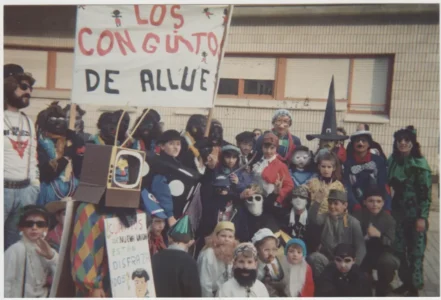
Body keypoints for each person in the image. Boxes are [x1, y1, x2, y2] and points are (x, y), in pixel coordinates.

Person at [388, 126, 432, 296]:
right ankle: (405, 282)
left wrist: (422, 217)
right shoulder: (393, 161)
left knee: (416, 251)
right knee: (398, 249)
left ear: (413, 143)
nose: (403, 143)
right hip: (398, 213)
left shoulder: (420, 164)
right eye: (400, 140)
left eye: (407, 140)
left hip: (415, 214)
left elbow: (426, 195)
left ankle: (414, 287)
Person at [4, 64, 40, 250]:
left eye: (30, 88)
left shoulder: (28, 120)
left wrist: (34, 185)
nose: (29, 92)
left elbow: (32, 156)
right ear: (9, 86)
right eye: (23, 87)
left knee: (15, 246)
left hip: (25, 190)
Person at [352, 186, 400, 296]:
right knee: (362, 285)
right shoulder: (357, 216)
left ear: (383, 203)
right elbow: (351, 237)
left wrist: (379, 235)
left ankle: (383, 286)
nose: (375, 205)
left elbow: (392, 243)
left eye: (378, 201)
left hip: (381, 253)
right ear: (364, 202)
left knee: (388, 262)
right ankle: (366, 282)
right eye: (371, 201)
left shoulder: (388, 219)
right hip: (363, 253)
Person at [35, 101, 85, 206]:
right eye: (53, 120)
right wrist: (66, 157)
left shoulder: (69, 141)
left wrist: (77, 143)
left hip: (71, 193)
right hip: (47, 195)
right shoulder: (39, 143)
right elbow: (46, 174)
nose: (58, 123)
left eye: (61, 119)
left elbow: (80, 170)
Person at [4, 205, 58, 297]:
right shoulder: (15, 250)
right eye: (29, 224)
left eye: (40, 224)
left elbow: (60, 279)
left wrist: (51, 257)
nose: (34, 228)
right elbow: (5, 283)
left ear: (46, 228)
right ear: (21, 228)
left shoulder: (49, 250)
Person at [308, 189, 366, 266]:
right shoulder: (325, 217)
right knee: (314, 257)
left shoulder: (353, 222)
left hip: (345, 263)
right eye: (330, 203)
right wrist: (317, 202)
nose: (332, 206)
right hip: (328, 260)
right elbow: (312, 219)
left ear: (345, 205)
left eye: (336, 203)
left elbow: (361, 249)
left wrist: (353, 266)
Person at [151, 215, 202, 297]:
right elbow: (194, 293)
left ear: (169, 238)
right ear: (190, 241)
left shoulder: (155, 257)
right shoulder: (189, 262)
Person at [344, 130, 391, 213]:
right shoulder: (348, 163)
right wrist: (354, 205)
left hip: (376, 206)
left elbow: (384, 185)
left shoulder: (379, 161)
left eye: (364, 141)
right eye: (357, 141)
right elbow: (347, 186)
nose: (360, 143)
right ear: (353, 144)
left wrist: (386, 207)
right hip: (356, 207)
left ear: (369, 144)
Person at [306, 77, 348, 165]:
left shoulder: (341, 162)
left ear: (336, 143)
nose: (328, 144)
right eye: (325, 140)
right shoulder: (312, 160)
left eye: (331, 141)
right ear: (320, 142)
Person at [252, 132, 294, 208]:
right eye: (266, 147)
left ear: (276, 148)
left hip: (271, 202)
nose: (268, 151)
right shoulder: (258, 161)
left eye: (272, 148)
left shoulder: (281, 165)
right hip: (256, 199)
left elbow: (289, 186)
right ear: (262, 147)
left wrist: (278, 197)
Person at [197, 221, 238, 297]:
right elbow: (204, 284)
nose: (227, 239)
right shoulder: (208, 254)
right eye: (223, 236)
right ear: (216, 237)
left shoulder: (234, 253)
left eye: (230, 237)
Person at [307, 150, 344, 215]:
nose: (326, 170)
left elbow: (342, 204)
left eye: (329, 167)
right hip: (315, 216)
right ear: (319, 167)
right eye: (323, 166)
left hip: (332, 217)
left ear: (334, 168)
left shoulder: (338, 185)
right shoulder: (312, 182)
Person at [252, 228, 285, 297]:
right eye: (266, 250)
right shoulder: (253, 264)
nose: (271, 253)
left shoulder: (277, 262)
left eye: (274, 249)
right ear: (257, 249)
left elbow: (281, 279)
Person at [141, 189, 168, 257]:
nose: (161, 226)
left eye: (163, 221)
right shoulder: (143, 242)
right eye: (157, 221)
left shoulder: (160, 239)